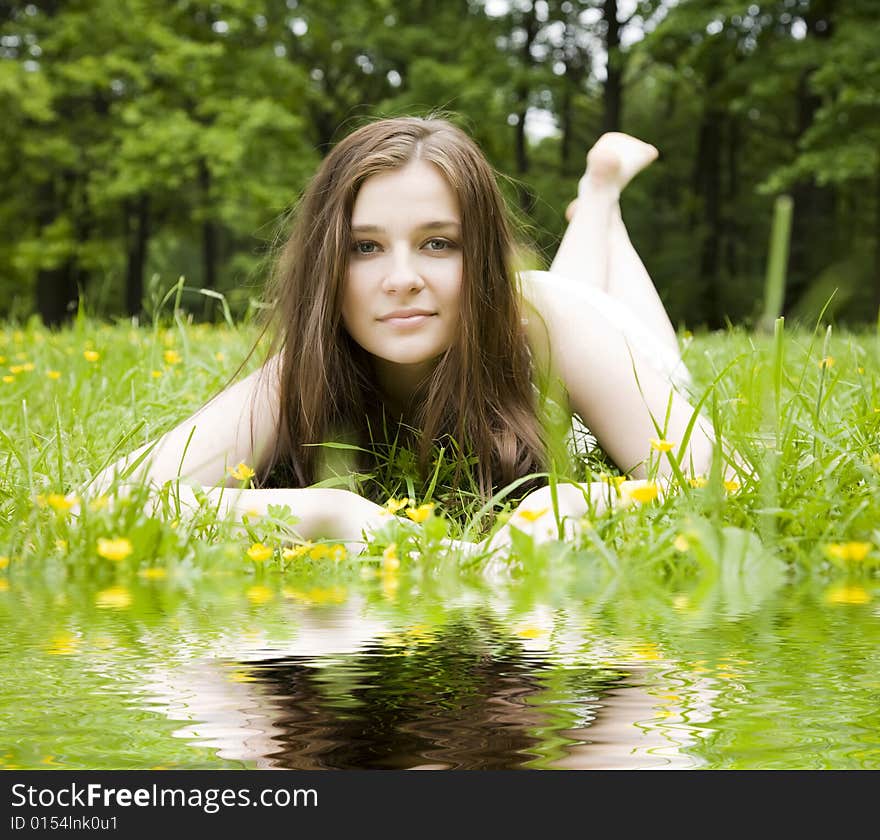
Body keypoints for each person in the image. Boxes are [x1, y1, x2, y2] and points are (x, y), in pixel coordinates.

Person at [88, 115, 723, 554]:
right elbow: (103, 505)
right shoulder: (304, 373)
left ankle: (601, 200)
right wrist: (328, 514)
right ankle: (597, 195)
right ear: (326, 266)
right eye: (364, 247)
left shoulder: (554, 322)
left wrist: (569, 509)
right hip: (536, 330)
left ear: (481, 258)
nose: (400, 279)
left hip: (574, 327)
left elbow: (722, 485)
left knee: (580, 302)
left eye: (437, 244)